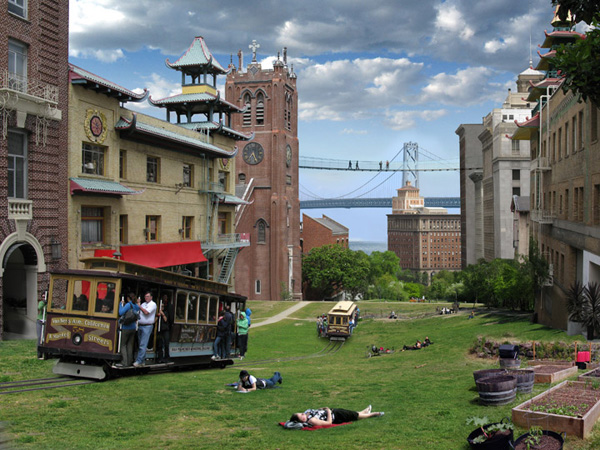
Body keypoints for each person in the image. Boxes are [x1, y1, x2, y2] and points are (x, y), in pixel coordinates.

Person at [288, 406, 383, 427]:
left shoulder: (307, 415)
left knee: (351, 413)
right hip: (336, 416)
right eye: (301, 415)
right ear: (302, 420)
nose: (302, 414)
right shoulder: (312, 420)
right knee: (355, 416)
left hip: (334, 412)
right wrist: (328, 411)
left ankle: (364, 411)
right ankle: (373, 414)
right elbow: (329, 423)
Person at [133, 292, 156, 367]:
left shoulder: (153, 304)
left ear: (151, 297)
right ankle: (142, 361)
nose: (146, 298)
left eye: (148, 296)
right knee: (140, 344)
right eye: (145, 296)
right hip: (140, 325)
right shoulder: (143, 304)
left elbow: (146, 312)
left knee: (143, 344)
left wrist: (139, 305)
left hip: (147, 326)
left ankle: (139, 361)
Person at [118, 293, 140, 367]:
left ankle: (124, 362)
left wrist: (121, 305)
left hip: (126, 327)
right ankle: (130, 361)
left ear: (128, 298)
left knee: (123, 345)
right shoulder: (136, 306)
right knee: (130, 345)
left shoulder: (128, 305)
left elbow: (121, 312)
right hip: (133, 327)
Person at [156, 293, 174, 363]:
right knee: (160, 343)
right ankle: (160, 357)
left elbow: (167, 319)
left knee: (166, 343)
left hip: (166, 328)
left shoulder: (167, 310)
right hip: (160, 328)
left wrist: (162, 313)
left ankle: (167, 357)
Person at [37, 294, 47, 359]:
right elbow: (40, 308)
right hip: (40, 321)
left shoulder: (50, 303)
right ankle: (39, 354)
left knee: (45, 337)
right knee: (39, 337)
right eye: (42, 297)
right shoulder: (41, 302)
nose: (43, 298)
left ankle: (45, 353)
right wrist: (44, 303)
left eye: (44, 297)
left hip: (46, 320)